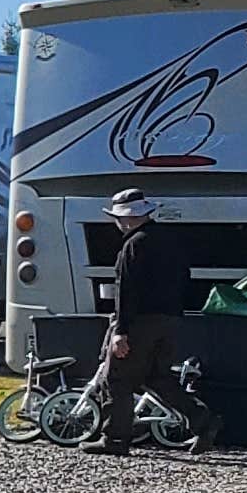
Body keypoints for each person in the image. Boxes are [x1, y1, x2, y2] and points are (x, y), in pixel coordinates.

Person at [93, 187, 195, 451]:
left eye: (117, 218)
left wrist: (120, 331)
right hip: (171, 319)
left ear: (126, 218)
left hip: (141, 322)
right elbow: (186, 278)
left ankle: (115, 438)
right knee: (158, 377)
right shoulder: (171, 240)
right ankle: (204, 421)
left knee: (116, 379)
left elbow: (126, 291)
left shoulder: (132, 245)